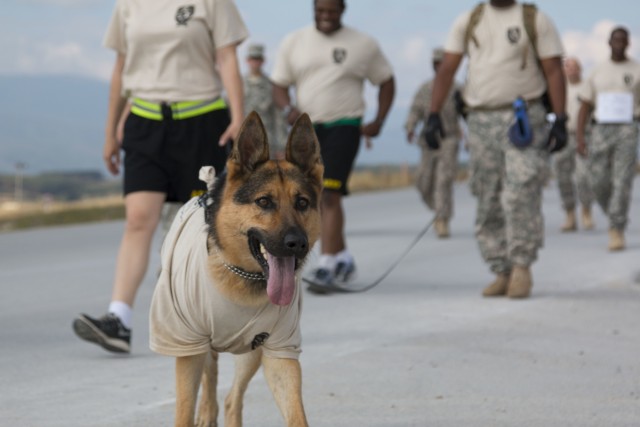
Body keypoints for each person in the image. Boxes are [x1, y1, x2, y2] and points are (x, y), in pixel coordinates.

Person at [72, 0, 248, 354]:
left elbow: (227, 58)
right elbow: (121, 69)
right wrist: (109, 133)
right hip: (145, 121)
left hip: (202, 121)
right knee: (138, 218)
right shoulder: (128, 5)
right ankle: (118, 319)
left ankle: (214, 314)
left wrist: (239, 117)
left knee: (203, 225)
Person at [426, 0, 567, 299]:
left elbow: (554, 70)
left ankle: (521, 268)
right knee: (486, 194)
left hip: (524, 118)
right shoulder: (469, 20)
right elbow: (448, 69)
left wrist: (560, 118)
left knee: (521, 191)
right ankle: (500, 267)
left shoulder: (534, 18)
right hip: (480, 119)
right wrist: (433, 114)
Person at [271, 0, 395, 292]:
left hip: (345, 126)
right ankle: (343, 256)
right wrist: (287, 107)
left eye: (331, 11)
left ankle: (326, 263)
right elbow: (278, 83)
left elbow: (387, 81)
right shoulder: (295, 41)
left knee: (329, 194)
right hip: (306, 131)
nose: (325, 17)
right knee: (312, 194)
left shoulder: (363, 44)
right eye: (319, 11)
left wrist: (378, 119)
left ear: (343, 10)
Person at [576, 26, 640, 251]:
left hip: (627, 129)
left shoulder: (637, 70)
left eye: (624, 40)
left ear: (629, 43)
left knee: (622, 181)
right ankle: (612, 213)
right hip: (600, 130)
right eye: (616, 40)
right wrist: (580, 137)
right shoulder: (597, 71)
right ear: (609, 42)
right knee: (597, 181)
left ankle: (616, 228)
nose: (619, 43)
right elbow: (584, 104)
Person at [405, 47, 462, 238]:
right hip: (429, 141)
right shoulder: (425, 89)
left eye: (442, 62)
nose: (440, 66)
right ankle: (438, 206)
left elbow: (468, 114)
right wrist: (410, 126)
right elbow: (415, 110)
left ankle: (442, 219)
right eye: (436, 63)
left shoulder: (458, 89)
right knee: (423, 181)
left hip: (449, 139)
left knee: (444, 181)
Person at [554, 57, 595, 232]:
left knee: (583, 176)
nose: (569, 69)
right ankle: (570, 213)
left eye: (573, 66)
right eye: (566, 66)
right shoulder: (558, 88)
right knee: (562, 176)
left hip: (584, 136)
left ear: (579, 69)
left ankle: (586, 209)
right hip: (562, 137)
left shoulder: (587, 86)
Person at [243, 43, 288, 159]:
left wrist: (281, 147)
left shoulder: (271, 85)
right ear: (247, 60)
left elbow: (278, 117)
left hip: (267, 141)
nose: (255, 62)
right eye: (252, 58)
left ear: (263, 61)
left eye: (258, 59)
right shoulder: (238, 85)